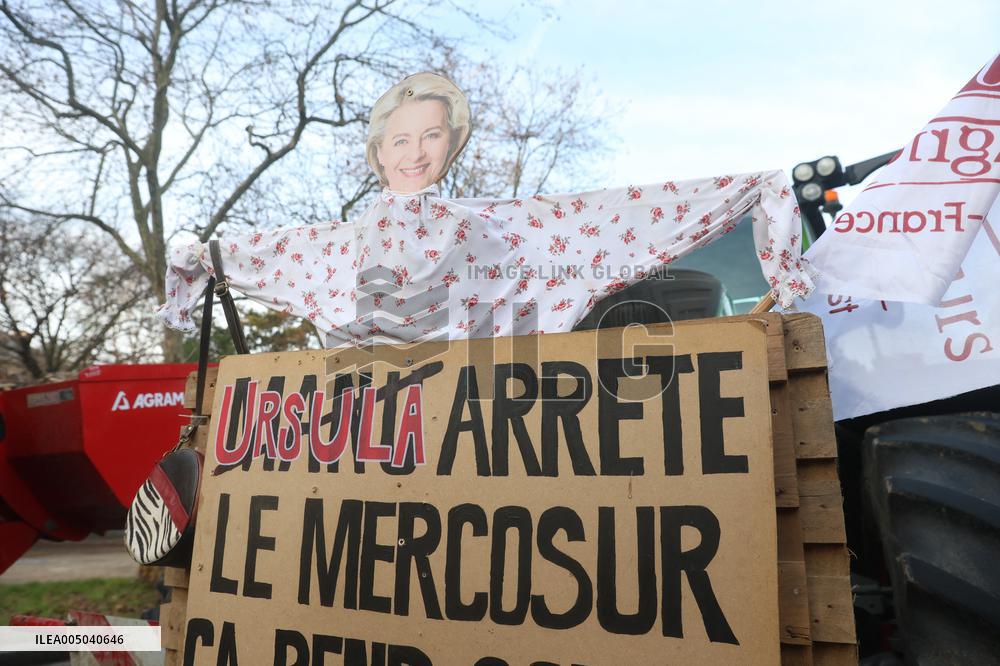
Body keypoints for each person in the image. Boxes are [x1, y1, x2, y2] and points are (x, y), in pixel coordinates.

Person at [365, 72, 471, 194]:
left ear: (452, 141)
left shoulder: (474, 212)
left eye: (431, 136)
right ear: (379, 152)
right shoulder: (367, 213)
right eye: (401, 141)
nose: (416, 155)